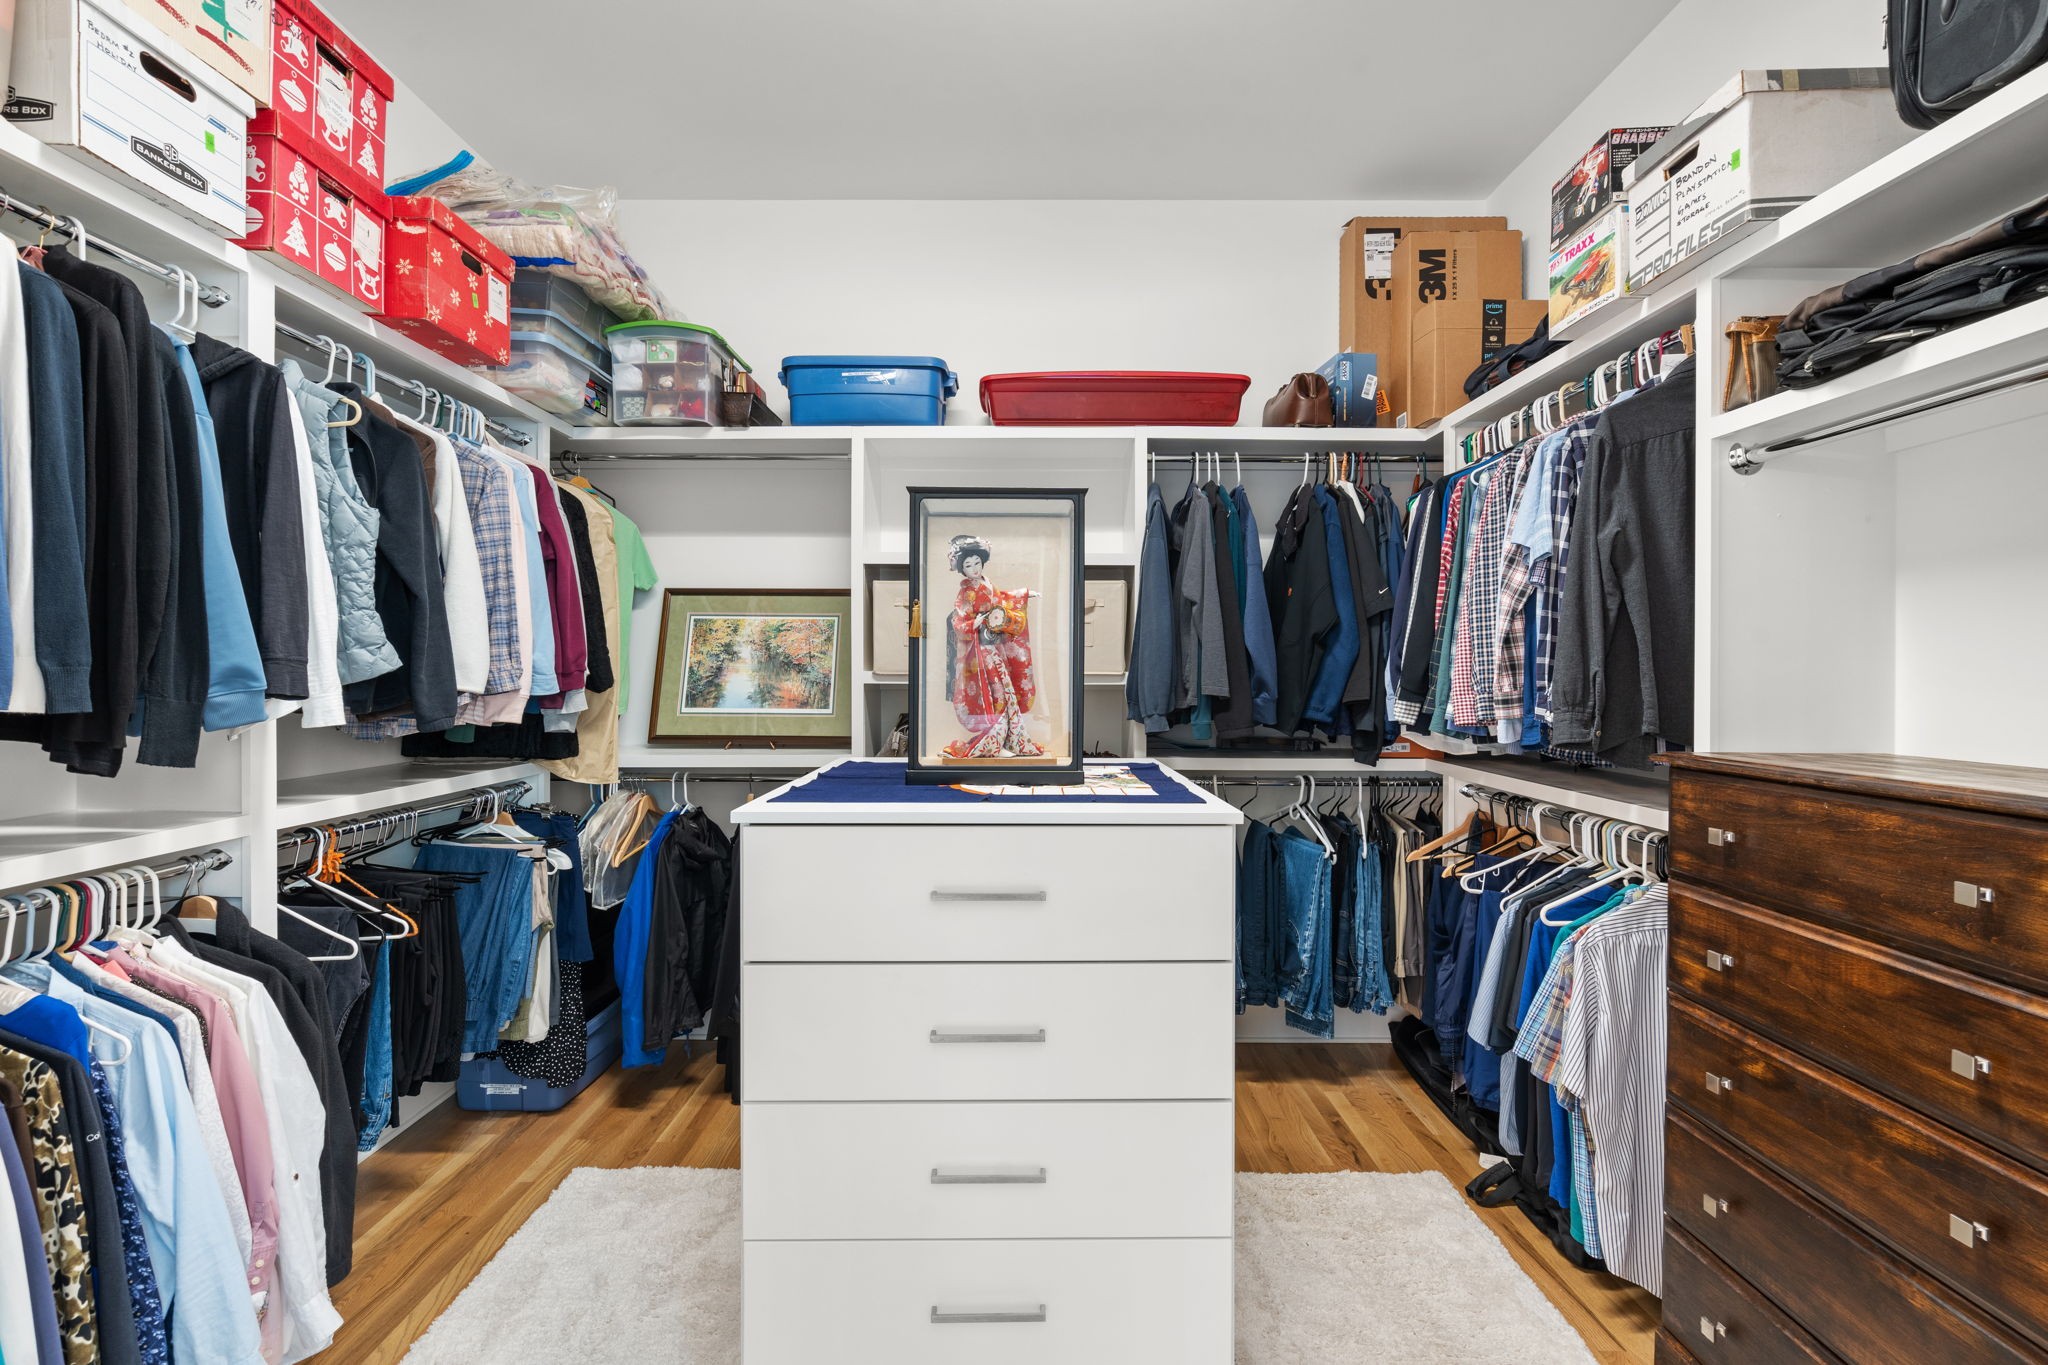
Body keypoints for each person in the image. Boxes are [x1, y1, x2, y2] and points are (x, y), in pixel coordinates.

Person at [941, 533, 1044, 759]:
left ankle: (1005, 741)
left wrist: (1025, 594)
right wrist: (973, 622)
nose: (974, 568)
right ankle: (993, 744)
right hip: (980, 651)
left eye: (977, 562)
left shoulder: (987, 585)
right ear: (961, 568)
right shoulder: (966, 592)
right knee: (995, 693)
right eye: (968, 565)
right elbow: (958, 621)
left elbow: (1003, 599)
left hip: (994, 648)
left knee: (1004, 693)